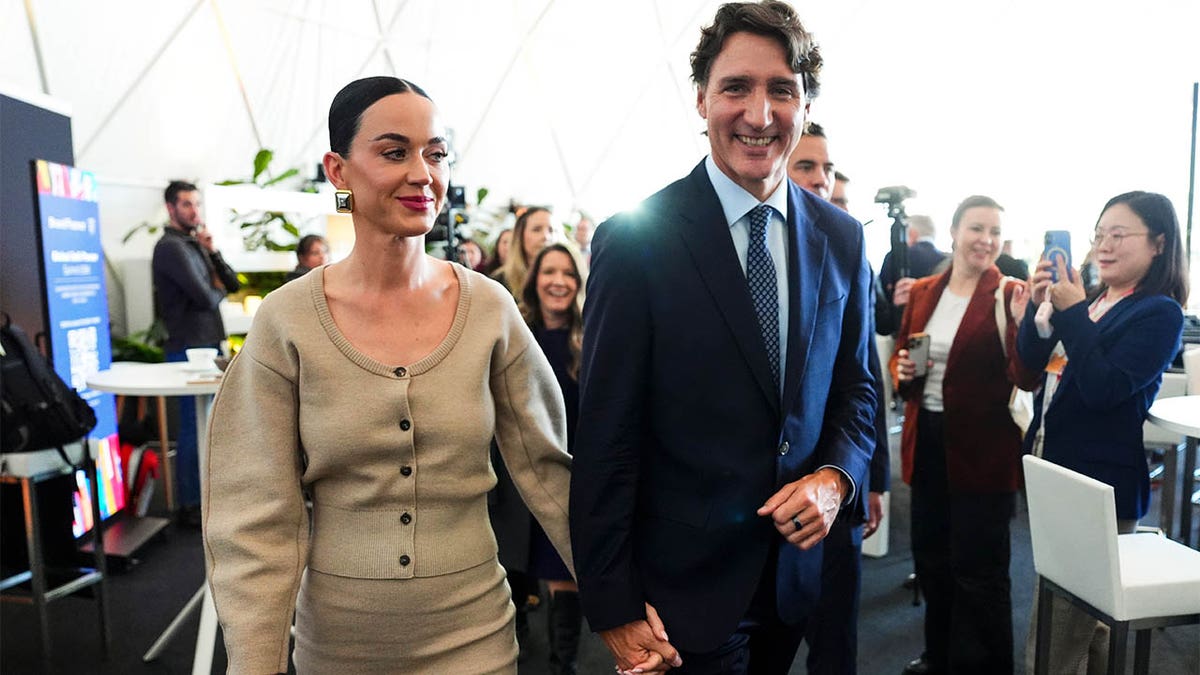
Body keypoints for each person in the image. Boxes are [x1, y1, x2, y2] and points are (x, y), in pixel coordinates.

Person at [202, 76, 574, 674]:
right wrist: (256, 664)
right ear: (339, 170)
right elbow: (255, 520)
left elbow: (551, 476)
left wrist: (620, 607)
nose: (422, 173)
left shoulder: (489, 309)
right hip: (339, 646)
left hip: (475, 636)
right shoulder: (287, 321)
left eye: (436, 153)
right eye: (394, 151)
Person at [571, 3, 877, 673]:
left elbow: (856, 388)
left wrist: (835, 478)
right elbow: (606, 434)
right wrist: (613, 601)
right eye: (736, 87)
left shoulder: (843, 239)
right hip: (679, 595)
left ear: (806, 102)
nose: (760, 114)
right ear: (703, 98)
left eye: (782, 89)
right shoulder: (635, 239)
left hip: (796, 577)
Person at [1017, 191, 1188, 674]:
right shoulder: (1094, 303)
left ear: (1158, 244)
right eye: (1099, 234)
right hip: (1056, 467)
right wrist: (1037, 307)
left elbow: (1104, 389)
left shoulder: (1158, 311)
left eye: (1119, 234)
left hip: (1098, 486)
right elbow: (1031, 363)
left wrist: (1071, 313)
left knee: (1054, 638)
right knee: (1089, 626)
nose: (1104, 245)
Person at [890, 195, 1040, 675]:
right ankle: (940, 657)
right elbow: (902, 363)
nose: (987, 240)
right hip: (927, 441)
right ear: (955, 231)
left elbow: (1026, 375)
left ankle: (989, 667)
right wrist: (903, 370)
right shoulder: (924, 292)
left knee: (982, 574)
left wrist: (1024, 324)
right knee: (932, 563)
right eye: (977, 228)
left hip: (984, 451)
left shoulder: (1008, 293)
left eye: (995, 231)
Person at [787, 126, 890, 675]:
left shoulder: (848, 249)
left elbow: (865, 377)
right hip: (762, 499)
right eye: (807, 166)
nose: (820, 180)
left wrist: (870, 478)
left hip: (838, 483)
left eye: (826, 169)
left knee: (835, 640)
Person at [512, 242, 588, 674]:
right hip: (517, 474)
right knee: (516, 571)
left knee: (564, 570)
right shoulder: (516, 332)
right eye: (549, 272)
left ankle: (566, 665)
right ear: (534, 279)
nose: (558, 281)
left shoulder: (592, 337)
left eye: (568, 274)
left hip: (571, 475)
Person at [151, 179, 240, 522]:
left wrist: (213, 253)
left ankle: (204, 501)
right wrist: (216, 288)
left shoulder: (195, 244)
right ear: (171, 208)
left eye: (196, 204)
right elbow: (205, 297)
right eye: (186, 204)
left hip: (206, 344)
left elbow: (230, 284)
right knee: (191, 427)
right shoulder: (170, 247)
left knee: (208, 426)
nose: (194, 211)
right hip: (187, 348)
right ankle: (190, 505)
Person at [878, 214, 948, 336]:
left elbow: (882, 301)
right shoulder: (950, 261)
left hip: (903, 331)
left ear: (912, 233)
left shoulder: (894, 258)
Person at [492, 207, 559, 297]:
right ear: (520, 236)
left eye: (551, 230)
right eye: (537, 229)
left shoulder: (565, 281)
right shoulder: (499, 283)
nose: (546, 237)